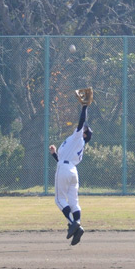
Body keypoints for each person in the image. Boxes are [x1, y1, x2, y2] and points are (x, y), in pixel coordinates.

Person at [49, 104, 92, 245]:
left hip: (64, 169)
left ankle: (73, 224)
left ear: (84, 134)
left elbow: (81, 121)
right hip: (73, 171)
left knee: (59, 200)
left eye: (84, 129)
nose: (81, 128)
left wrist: (84, 107)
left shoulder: (78, 137)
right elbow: (63, 159)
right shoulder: (78, 145)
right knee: (74, 202)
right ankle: (77, 223)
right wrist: (54, 154)